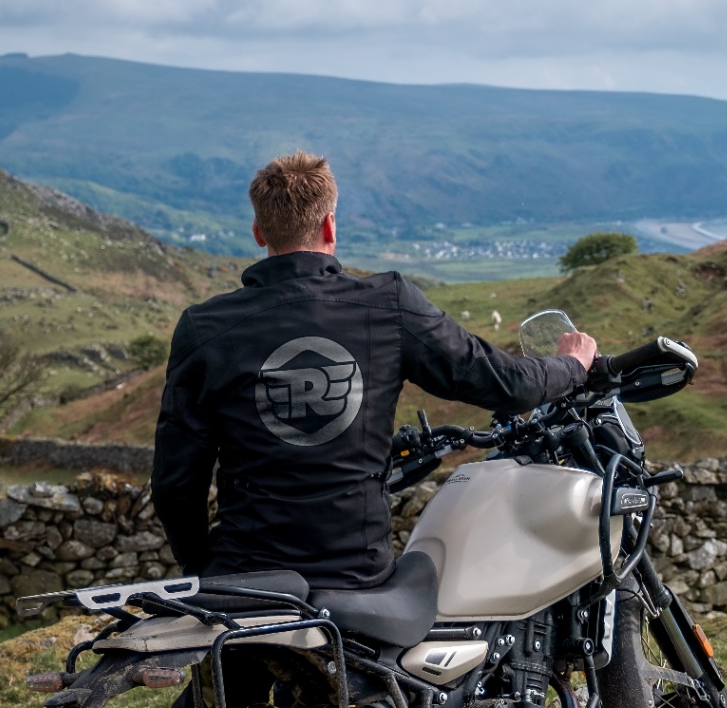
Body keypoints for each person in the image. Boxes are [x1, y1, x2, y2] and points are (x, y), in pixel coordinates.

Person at [152, 151, 597, 589]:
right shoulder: (388, 305)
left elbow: (175, 485)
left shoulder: (205, 328)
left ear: (258, 231)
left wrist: (204, 571)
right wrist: (571, 363)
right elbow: (507, 384)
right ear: (329, 224)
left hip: (242, 577)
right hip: (358, 579)